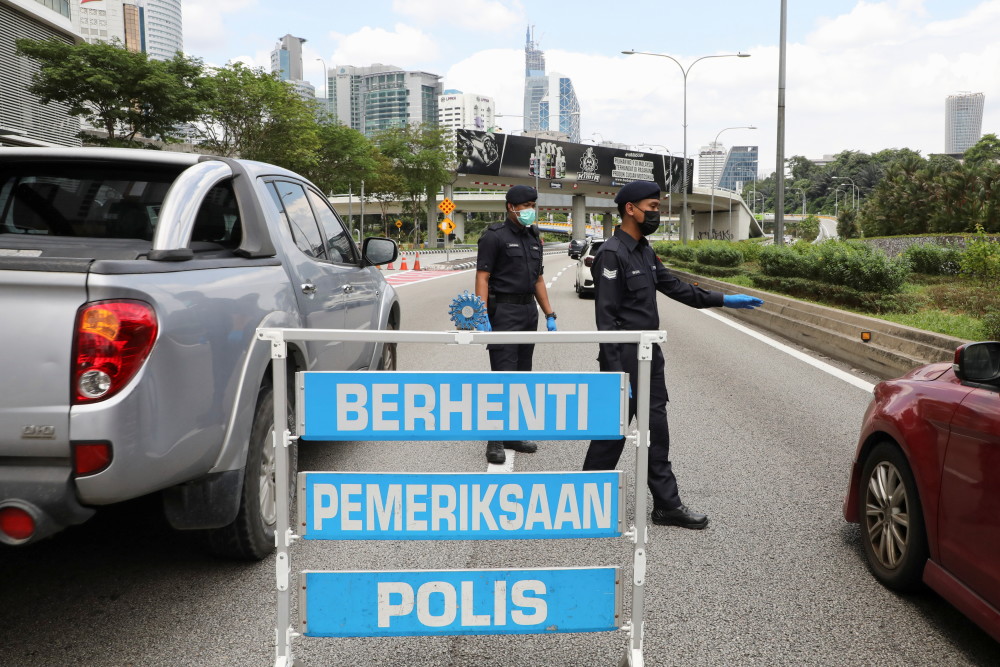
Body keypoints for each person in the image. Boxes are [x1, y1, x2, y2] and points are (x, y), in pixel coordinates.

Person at [582, 180, 763, 529]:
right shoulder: (612, 253)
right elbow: (605, 321)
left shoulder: (645, 251)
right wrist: (619, 376)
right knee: (611, 433)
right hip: (623, 359)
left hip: (650, 357)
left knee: (655, 434)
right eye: (651, 207)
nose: (657, 213)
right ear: (630, 209)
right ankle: (585, 502)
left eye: (658, 207)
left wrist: (724, 299)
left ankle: (666, 506)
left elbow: (677, 288)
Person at [475, 184, 557, 464]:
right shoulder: (494, 237)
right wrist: (480, 313)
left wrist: (549, 314)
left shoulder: (534, 237)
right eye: (526, 205)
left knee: (522, 376)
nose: (531, 210)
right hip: (504, 312)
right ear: (511, 207)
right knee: (502, 376)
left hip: (527, 312)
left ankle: (512, 433)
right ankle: (494, 440)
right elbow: (483, 277)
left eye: (534, 205)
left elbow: (538, 280)